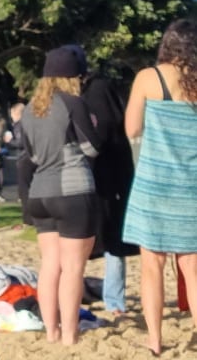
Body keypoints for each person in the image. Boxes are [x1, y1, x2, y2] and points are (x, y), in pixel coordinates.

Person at [16, 46, 104, 346]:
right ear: (73, 77)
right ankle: (69, 335)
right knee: (73, 269)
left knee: (50, 265)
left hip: (40, 192)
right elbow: (92, 148)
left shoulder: (29, 109)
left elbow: (31, 156)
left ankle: (51, 332)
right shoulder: (73, 103)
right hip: (73, 189)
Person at [121, 18, 197, 356]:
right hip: (191, 190)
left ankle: (155, 342)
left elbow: (132, 129)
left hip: (153, 187)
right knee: (192, 269)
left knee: (152, 268)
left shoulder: (148, 78)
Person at [69, 45, 138, 318]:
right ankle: (113, 299)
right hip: (112, 181)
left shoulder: (88, 96)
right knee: (110, 243)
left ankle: (103, 297)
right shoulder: (104, 95)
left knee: (85, 243)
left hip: (93, 179)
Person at [4, 101, 33, 226]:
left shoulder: (19, 125)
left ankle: (28, 219)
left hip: (24, 159)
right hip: (32, 158)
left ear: (16, 113)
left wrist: (9, 142)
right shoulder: (31, 124)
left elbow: (20, 143)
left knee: (24, 190)